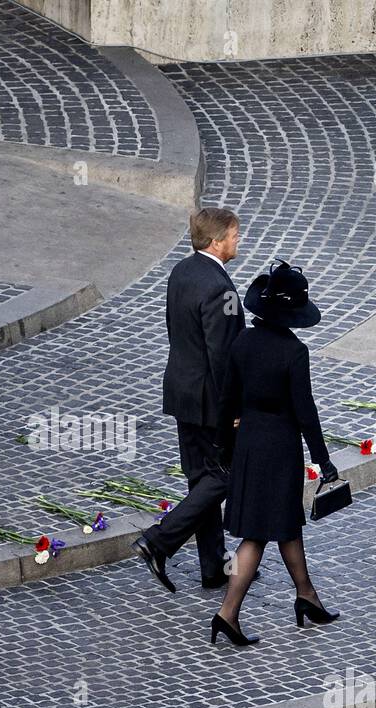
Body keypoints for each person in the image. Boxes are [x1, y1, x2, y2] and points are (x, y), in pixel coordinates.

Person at [211, 260, 340, 647]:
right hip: (280, 450)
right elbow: (306, 412)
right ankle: (227, 613)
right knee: (256, 536)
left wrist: (226, 444)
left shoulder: (242, 343)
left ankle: (307, 596)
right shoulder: (294, 353)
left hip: (249, 444)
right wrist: (324, 460)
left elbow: (226, 400)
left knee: (285, 525)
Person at [132, 207, 247, 592]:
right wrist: (233, 409)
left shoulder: (182, 271)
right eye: (234, 235)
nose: (238, 241)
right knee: (224, 477)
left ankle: (213, 567)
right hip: (211, 402)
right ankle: (159, 540)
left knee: (201, 479)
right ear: (216, 241)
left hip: (182, 391)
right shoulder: (222, 289)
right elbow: (224, 356)